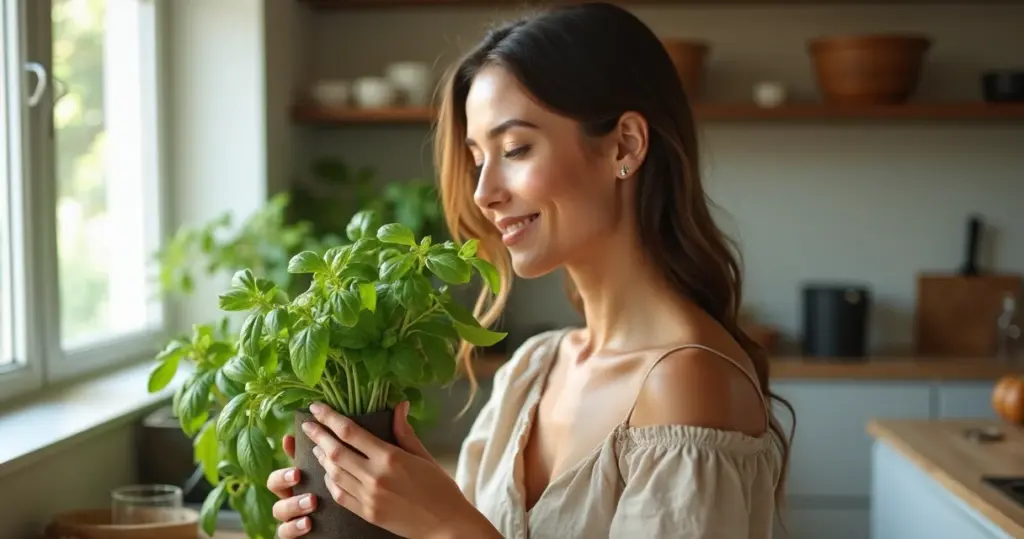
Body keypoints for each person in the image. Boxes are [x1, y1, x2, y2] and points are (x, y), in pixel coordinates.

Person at [268, 2, 794, 538]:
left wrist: (446, 526)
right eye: (477, 159)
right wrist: (363, 516)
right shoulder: (535, 369)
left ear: (625, 145)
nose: (483, 193)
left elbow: (457, 533)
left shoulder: (687, 385)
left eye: (515, 149)